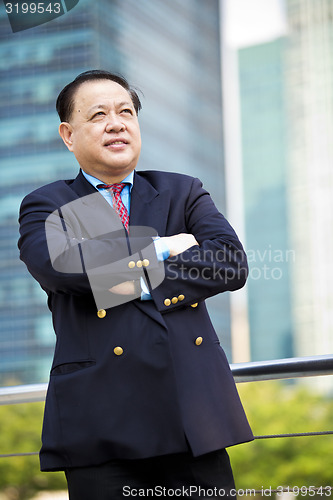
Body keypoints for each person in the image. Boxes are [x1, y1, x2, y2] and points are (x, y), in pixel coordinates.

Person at [18, 70, 253, 499]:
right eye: (99, 115)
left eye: (126, 112)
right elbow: (60, 266)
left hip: (192, 419)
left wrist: (117, 278)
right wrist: (162, 248)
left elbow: (229, 263)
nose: (116, 123)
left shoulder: (181, 191)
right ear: (68, 135)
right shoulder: (51, 203)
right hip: (101, 423)